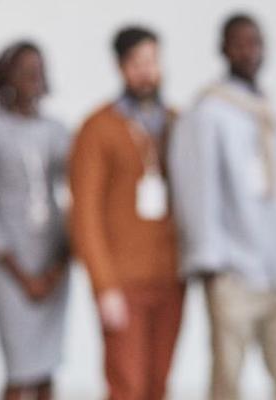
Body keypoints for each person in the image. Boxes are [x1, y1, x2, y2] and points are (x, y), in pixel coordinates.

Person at [169, 13, 276, 400]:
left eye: (256, 42)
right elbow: (195, 190)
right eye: (240, 42)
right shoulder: (208, 112)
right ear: (223, 48)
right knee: (228, 378)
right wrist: (211, 262)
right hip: (234, 269)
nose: (249, 51)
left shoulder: (271, 111)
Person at [69, 26, 184, 400]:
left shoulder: (174, 123)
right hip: (123, 280)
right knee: (127, 383)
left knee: (158, 382)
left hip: (170, 276)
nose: (146, 71)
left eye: (152, 61)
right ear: (121, 68)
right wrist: (104, 285)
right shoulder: (98, 127)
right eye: (137, 63)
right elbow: (84, 213)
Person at [0, 41, 71, 400]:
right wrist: (23, 275)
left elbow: (78, 190)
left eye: (39, 69)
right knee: (20, 370)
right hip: (13, 267)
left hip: (53, 261)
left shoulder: (57, 131)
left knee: (47, 367)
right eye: (26, 69)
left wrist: (58, 267)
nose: (34, 77)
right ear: (7, 74)